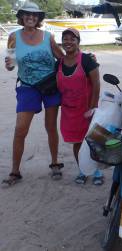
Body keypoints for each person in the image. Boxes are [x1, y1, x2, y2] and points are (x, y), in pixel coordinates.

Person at [3, 1, 64, 185]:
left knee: (51, 126)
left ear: (38, 18)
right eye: (27, 14)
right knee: (20, 129)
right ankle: (15, 171)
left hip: (50, 86)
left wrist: (84, 58)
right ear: (21, 17)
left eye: (34, 15)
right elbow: (10, 66)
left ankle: (54, 163)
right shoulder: (13, 36)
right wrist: (9, 64)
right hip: (27, 86)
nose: (31, 17)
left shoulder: (48, 37)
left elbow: (62, 58)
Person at [57, 28, 103, 185]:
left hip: (87, 110)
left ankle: (96, 170)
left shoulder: (87, 60)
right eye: (65, 39)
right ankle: (82, 170)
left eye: (72, 39)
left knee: (91, 142)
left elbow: (96, 83)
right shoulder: (59, 63)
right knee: (77, 142)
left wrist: (93, 107)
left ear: (78, 42)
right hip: (69, 110)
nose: (68, 42)